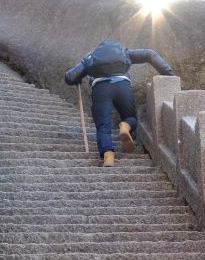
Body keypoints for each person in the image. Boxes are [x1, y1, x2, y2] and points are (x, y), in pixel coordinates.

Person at [64, 38, 174, 166]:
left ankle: (108, 156)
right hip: (122, 85)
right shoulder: (124, 52)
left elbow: (70, 77)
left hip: (100, 89)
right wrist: (169, 75)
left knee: (103, 127)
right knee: (130, 117)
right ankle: (125, 126)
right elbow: (150, 54)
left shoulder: (90, 57)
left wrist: (76, 79)